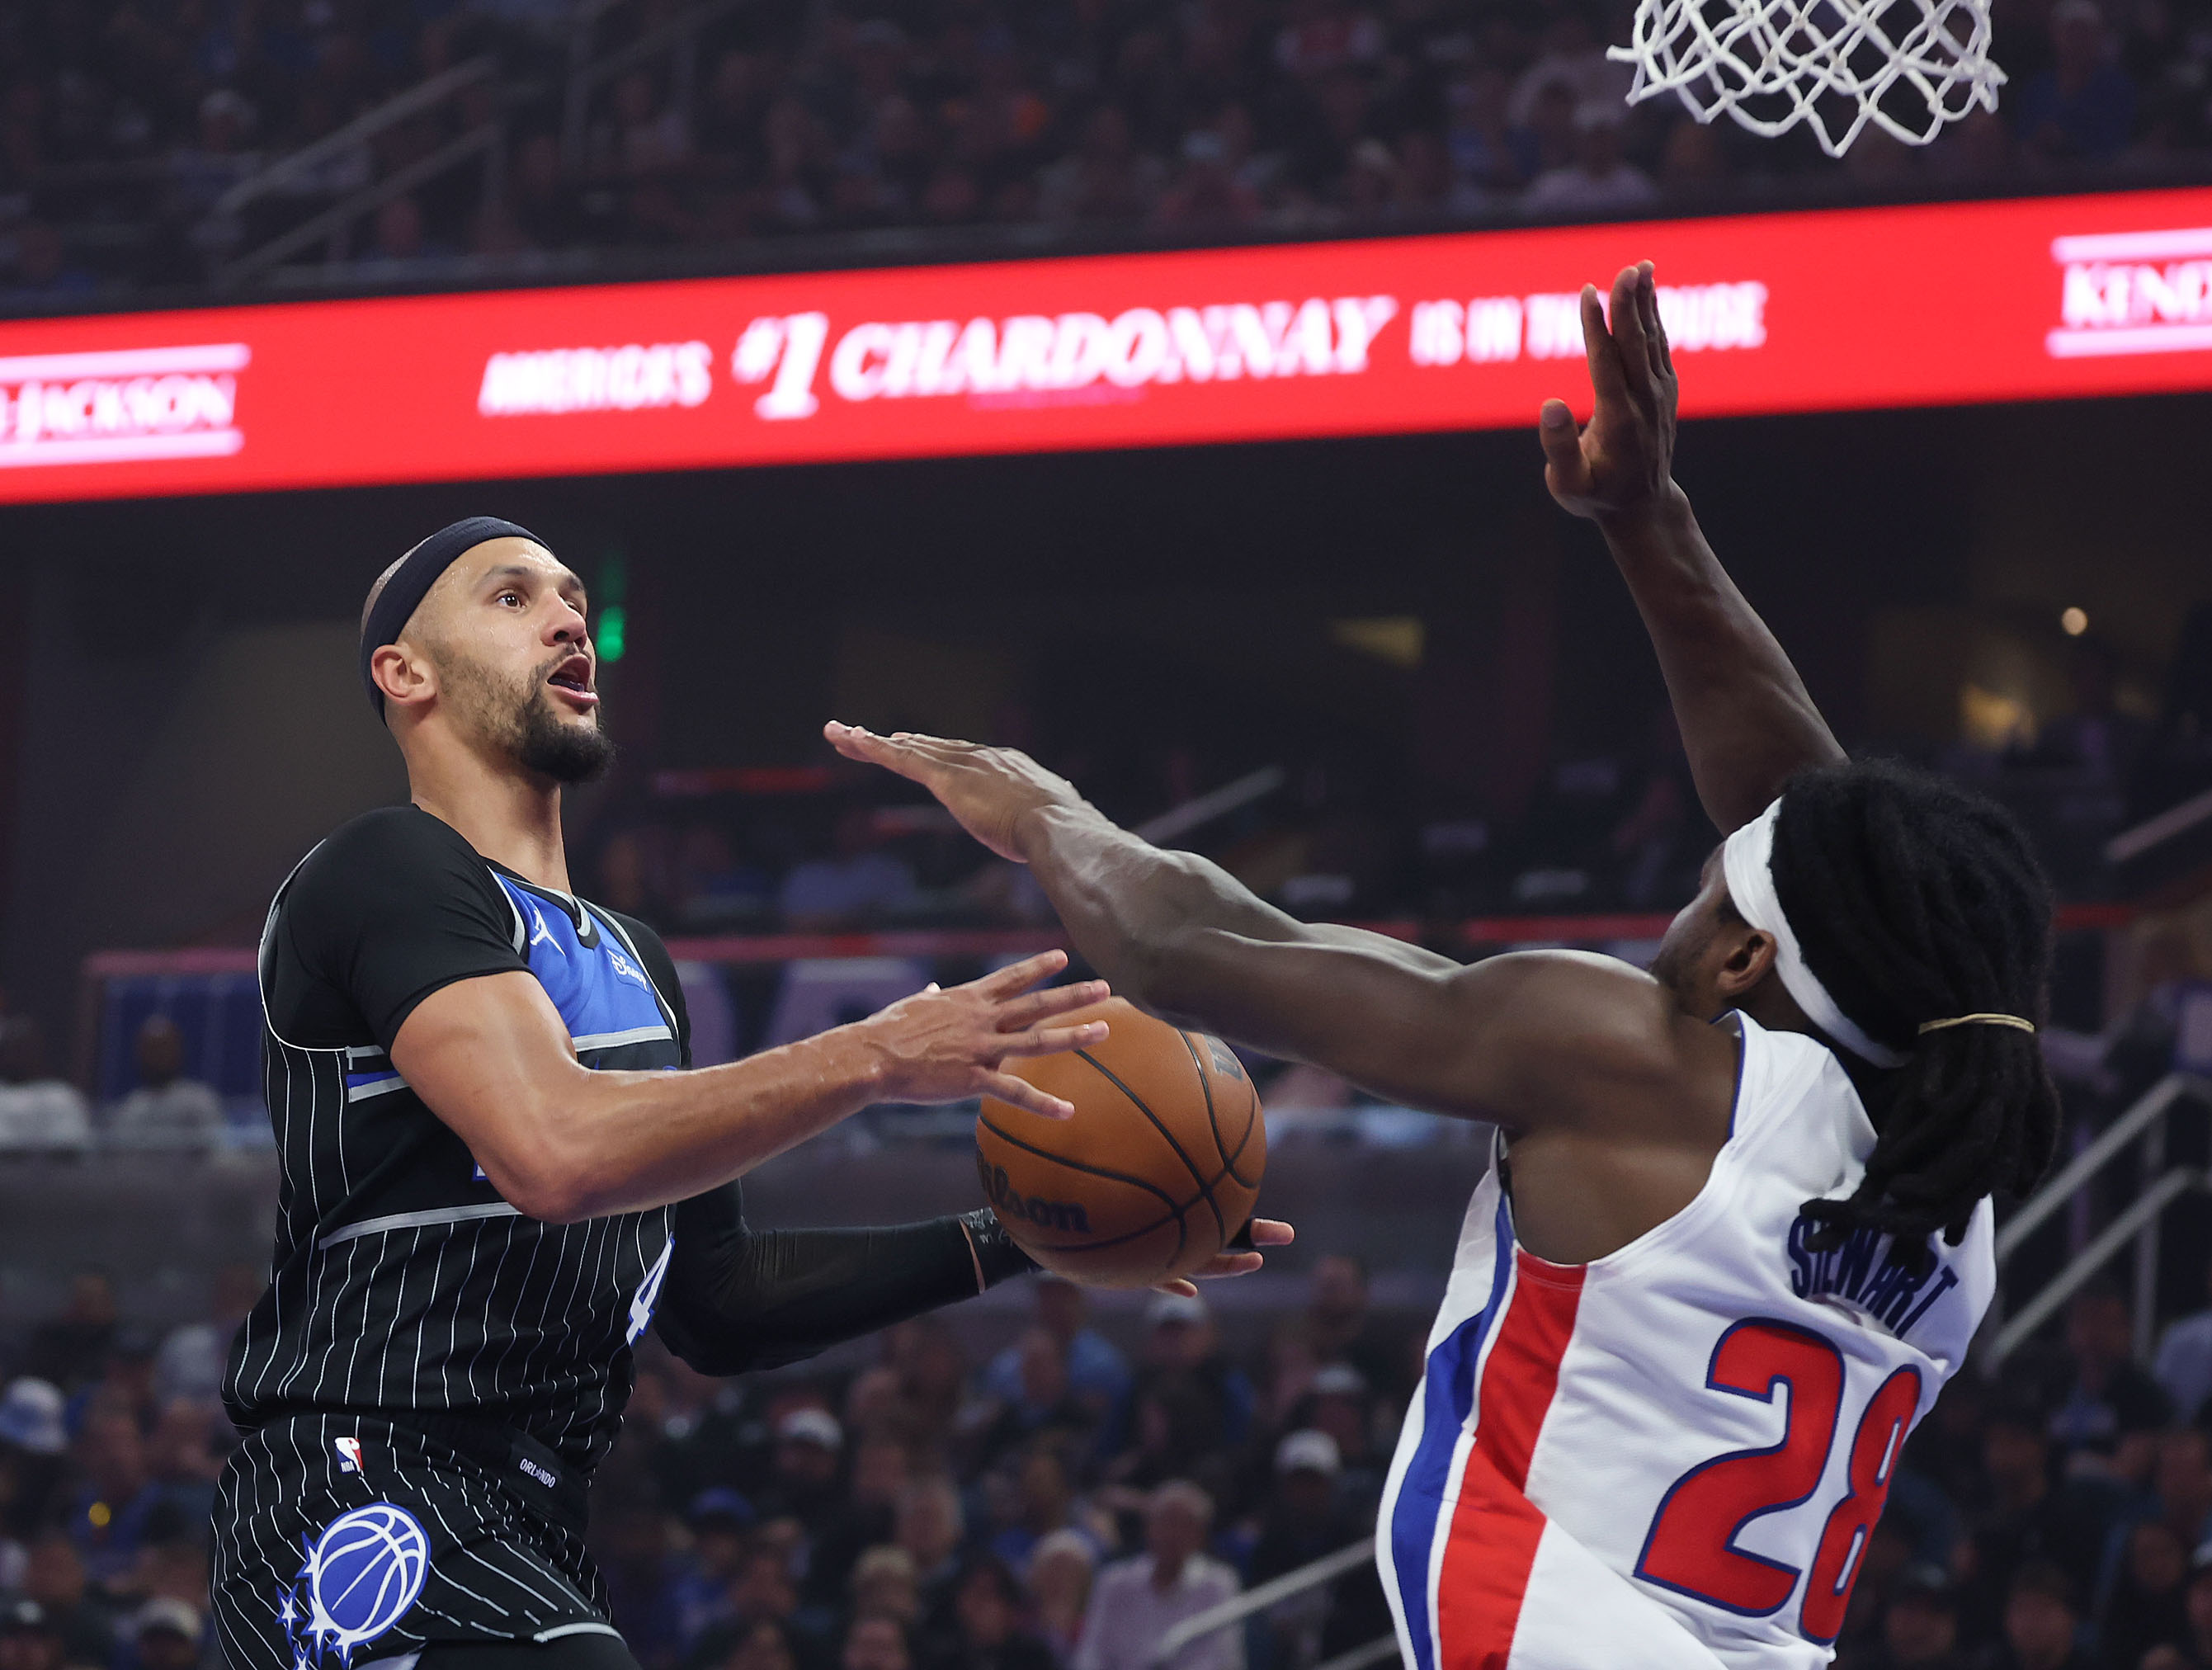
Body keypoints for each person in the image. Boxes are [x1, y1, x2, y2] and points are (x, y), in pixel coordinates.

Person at [828, 260, 2060, 1670]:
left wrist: (1047, 814)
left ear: (1738, 956)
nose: (1680, 891)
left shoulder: (1631, 1059)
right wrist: (1648, 523)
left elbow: (1201, 946)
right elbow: (1839, 845)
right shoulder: (1949, 1180)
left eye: (1702, 880)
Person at [206, 518, 1260, 1670]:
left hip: (532, 1518)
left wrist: (1035, 1233)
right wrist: (872, 1054)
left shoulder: (638, 962)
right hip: (364, 1487)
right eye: (512, 600)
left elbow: (718, 1302)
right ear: (405, 673)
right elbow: (554, 1150)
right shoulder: (386, 871)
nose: (568, 618)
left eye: (569, 597)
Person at [1072, 1483, 1240, 1670]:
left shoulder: (1217, 1584)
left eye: (1185, 1525)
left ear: (1200, 1536)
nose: (1172, 1534)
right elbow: (1091, 1653)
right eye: (1166, 1521)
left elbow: (1221, 1659)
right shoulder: (1114, 1582)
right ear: (1149, 1527)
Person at [106, 1017, 224, 1149]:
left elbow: (217, 1152)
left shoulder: (200, 1101)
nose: (158, 1056)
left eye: (164, 1048)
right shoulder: (130, 1109)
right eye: (151, 1049)